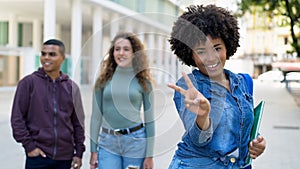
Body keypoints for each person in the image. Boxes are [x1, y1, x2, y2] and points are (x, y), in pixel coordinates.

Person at [167, 4, 266, 169]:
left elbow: (240, 125)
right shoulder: (189, 86)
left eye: (217, 48)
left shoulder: (243, 82)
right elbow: (198, 140)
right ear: (190, 54)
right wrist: (203, 115)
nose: (211, 58)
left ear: (227, 46)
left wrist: (257, 142)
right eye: (201, 51)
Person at [11, 39, 85, 169]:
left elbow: (78, 123)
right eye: (43, 53)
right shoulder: (28, 83)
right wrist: (30, 147)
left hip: (65, 158)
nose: (46, 58)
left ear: (62, 58)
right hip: (38, 156)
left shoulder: (72, 88)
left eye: (52, 54)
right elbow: (17, 119)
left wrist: (78, 153)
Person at [89, 31, 155, 169]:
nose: (121, 53)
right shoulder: (102, 81)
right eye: (117, 49)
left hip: (135, 142)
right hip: (107, 142)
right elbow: (95, 117)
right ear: (112, 53)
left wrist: (149, 155)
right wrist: (93, 150)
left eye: (126, 49)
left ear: (134, 52)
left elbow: (150, 120)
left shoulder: (143, 82)